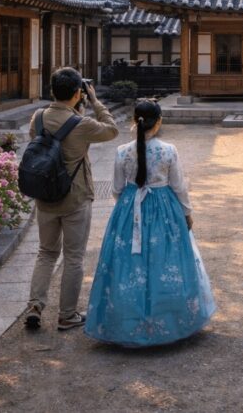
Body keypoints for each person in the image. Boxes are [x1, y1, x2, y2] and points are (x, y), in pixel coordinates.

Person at [85, 99, 215, 347]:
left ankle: (126, 320)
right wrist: (187, 213)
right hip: (165, 210)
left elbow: (116, 189)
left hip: (130, 209)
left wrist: (127, 206)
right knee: (165, 261)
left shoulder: (122, 151)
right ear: (159, 122)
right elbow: (179, 187)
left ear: (135, 121)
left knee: (129, 265)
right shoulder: (168, 150)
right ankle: (170, 319)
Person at [25, 67, 118, 331]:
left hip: (45, 196)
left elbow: (43, 143)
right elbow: (111, 130)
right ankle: (67, 314)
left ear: (52, 90)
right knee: (73, 256)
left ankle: (35, 306)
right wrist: (96, 102)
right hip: (75, 196)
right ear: (78, 93)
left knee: (46, 252)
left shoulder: (39, 117)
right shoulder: (83, 124)